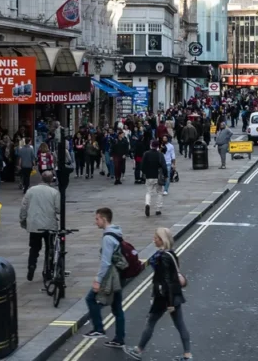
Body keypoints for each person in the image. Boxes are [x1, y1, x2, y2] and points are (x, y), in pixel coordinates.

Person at [124, 227, 190, 360]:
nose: (153, 240)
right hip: (174, 295)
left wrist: (169, 303)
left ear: (162, 240)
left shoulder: (163, 257)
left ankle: (138, 350)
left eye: (155, 238)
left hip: (164, 297)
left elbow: (166, 281)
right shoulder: (171, 253)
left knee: (151, 321)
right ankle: (187, 355)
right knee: (180, 324)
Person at [80, 207, 126, 348]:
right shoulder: (117, 232)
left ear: (104, 219)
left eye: (97, 219)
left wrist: (98, 281)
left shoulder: (107, 238)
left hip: (110, 277)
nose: (96, 222)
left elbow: (106, 263)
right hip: (118, 276)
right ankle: (119, 339)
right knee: (117, 308)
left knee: (90, 299)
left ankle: (98, 329)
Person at [19, 170, 61, 282]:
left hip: (34, 225)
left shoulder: (31, 190)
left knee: (34, 248)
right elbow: (58, 209)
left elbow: (24, 207)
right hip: (49, 225)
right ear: (51, 180)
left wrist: (23, 220)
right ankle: (48, 271)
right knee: (49, 248)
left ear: (41, 178)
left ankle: (31, 266)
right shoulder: (54, 192)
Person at [140, 140, 166, 217]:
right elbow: (164, 166)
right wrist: (166, 175)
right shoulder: (160, 154)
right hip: (158, 176)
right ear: (157, 146)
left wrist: (145, 172)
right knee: (159, 192)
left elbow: (142, 166)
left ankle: (147, 204)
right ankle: (158, 209)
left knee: (149, 192)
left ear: (151, 145)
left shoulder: (146, 154)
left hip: (149, 176)